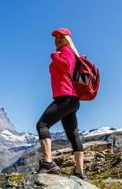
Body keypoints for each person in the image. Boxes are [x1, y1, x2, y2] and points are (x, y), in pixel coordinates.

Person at [35, 28, 87, 180]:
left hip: (65, 98)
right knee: (73, 134)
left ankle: (48, 162)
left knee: (42, 125)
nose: (57, 39)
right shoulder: (71, 53)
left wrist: (54, 56)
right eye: (56, 37)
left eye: (61, 37)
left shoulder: (66, 51)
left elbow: (65, 66)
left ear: (67, 39)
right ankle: (79, 172)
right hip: (71, 101)